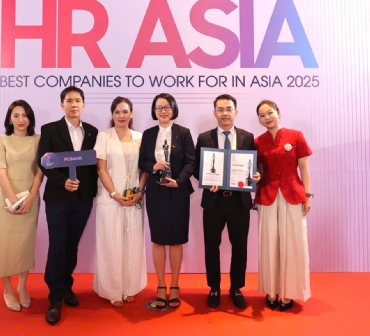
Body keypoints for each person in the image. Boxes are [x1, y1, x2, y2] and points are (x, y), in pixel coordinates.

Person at [37, 87, 99, 325]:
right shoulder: (50, 129)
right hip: (58, 199)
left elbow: (94, 165)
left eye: (78, 101)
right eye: (69, 101)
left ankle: (65, 287)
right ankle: (54, 299)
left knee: (72, 246)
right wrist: (62, 181)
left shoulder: (92, 131)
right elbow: (44, 161)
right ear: (61, 104)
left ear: (84, 105)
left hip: (83, 200)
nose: (74, 104)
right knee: (57, 246)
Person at [194, 94, 260, 309]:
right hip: (213, 201)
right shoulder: (204, 138)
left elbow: (257, 164)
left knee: (240, 246)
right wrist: (206, 181)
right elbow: (196, 166)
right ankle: (214, 287)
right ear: (214, 113)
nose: (224, 113)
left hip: (239, 202)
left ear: (236, 112)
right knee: (211, 246)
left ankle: (236, 287)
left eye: (228, 109)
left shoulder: (247, 137)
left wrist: (257, 174)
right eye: (220, 109)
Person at [138, 93, 195, 311]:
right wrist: (153, 166)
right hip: (156, 192)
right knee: (159, 240)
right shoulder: (148, 134)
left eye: (167, 107)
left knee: (177, 240)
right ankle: (161, 286)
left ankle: (175, 285)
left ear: (173, 109)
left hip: (178, 192)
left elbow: (191, 163)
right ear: (154, 111)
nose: (163, 111)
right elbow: (142, 161)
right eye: (159, 107)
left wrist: (178, 181)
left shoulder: (184, 133)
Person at [254, 100, 313, 312]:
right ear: (259, 120)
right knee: (269, 243)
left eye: (270, 113)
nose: (267, 118)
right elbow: (256, 169)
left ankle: (289, 293)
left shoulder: (296, 136)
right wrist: (256, 176)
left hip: (293, 194)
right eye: (262, 115)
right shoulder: (257, 141)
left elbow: (304, 168)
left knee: (293, 243)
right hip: (267, 195)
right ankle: (271, 291)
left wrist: (307, 195)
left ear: (278, 112)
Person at [0, 100, 44, 312]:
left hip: (30, 196)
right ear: (9, 119)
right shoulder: (1, 140)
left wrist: (31, 196)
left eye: (25, 115)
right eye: (16, 115)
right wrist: (13, 199)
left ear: (30, 118)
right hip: (6, 198)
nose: (21, 120)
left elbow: (41, 169)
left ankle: (22, 286)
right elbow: (0, 170)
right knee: (3, 244)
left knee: (25, 243)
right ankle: (7, 289)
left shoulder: (38, 140)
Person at [93, 97, 148, 307]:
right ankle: (112, 290)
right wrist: (114, 193)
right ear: (112, 114)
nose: (121, 115)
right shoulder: (104, 136)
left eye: (125, 111)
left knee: (132, 243)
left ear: (131, 114)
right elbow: (101, 169)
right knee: (110, 243)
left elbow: (144, 169)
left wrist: (140, 191)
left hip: (134, 198)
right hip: (110, 198)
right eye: (117, 112)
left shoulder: (140, 137)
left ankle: (130, 287)